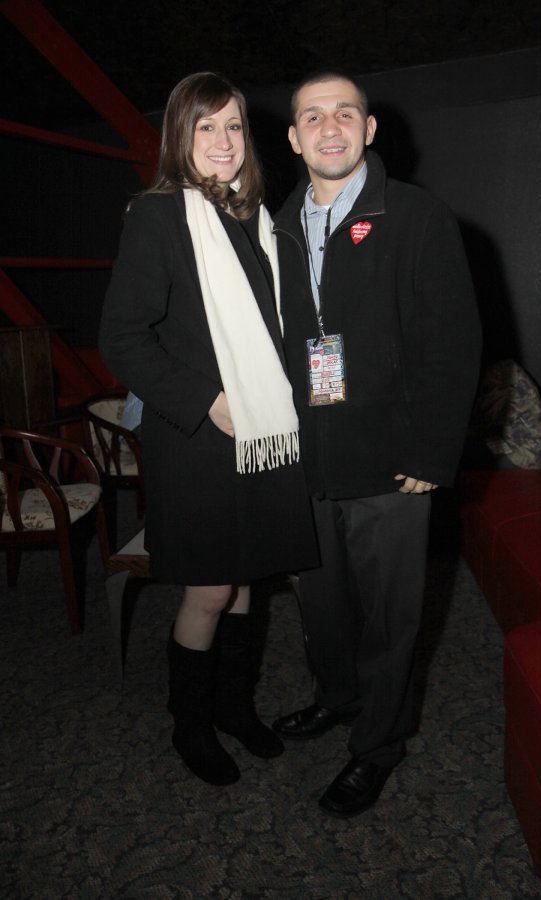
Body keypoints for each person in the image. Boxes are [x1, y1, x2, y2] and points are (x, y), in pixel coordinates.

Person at [99, 72, 318, 787]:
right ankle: (189, 723)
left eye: (233, 126)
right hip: (197, 437)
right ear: (180, 137)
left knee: (247, 580)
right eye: (205, 126)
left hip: (262, 438)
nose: (223, 141)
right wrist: (206, 400)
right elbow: (122, 339)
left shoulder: (258, 219)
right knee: (210, 591)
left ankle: (235, 707)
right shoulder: (159, 217)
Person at [272, 72, 482, 817]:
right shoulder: (275, 227)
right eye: (312, 116)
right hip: (308, 460)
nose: (329, 127)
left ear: (368, 130)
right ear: (293, 138)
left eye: (345, 113)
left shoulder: (418, 215)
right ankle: (337, 698)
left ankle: (378, 746)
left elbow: (453, 343)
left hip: (394, 463)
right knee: (322, 608)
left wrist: (432, 453)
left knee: (392, 619)